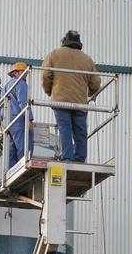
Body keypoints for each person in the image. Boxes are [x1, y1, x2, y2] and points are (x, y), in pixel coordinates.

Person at [41, 30, 100, 163]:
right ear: (79, 43)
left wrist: (49, 91)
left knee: (65, 128)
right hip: (80, 102)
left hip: (60, 100)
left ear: (64, 41)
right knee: (80, 131)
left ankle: (67, 156)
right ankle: (80, 158)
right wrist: (91, 94)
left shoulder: (54, 54)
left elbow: (45, 76)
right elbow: (96, 82)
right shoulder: (87, 59)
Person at [2, 61, 33, 167]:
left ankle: (12, 170)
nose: (26, 75)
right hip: (19, 121)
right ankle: (23, 167)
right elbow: (23, 102)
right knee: (24, 148)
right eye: (24, 72)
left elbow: (1, 107)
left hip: (8, 122)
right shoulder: (21, 83)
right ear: (16, 73)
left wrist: (3, 121)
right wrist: (29, 119)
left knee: (11, 151)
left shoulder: (6, 87)